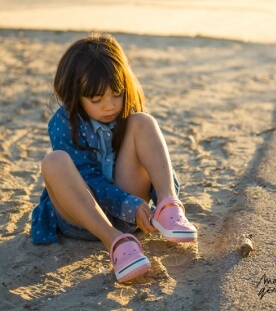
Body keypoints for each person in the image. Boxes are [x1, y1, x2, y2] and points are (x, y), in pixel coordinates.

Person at [31, 33, 197, 283]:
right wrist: (129, 205)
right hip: (81, 219)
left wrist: (148, 202)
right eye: (97, 99)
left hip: (128, 215)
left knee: (144, 121)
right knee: (54, 161)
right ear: (75, 95)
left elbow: (155, 164)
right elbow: (88, 178)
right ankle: (116, 243)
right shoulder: (63, 123)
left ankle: (168, 205)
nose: (109, 106)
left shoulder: (128, 114)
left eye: (117, 94)